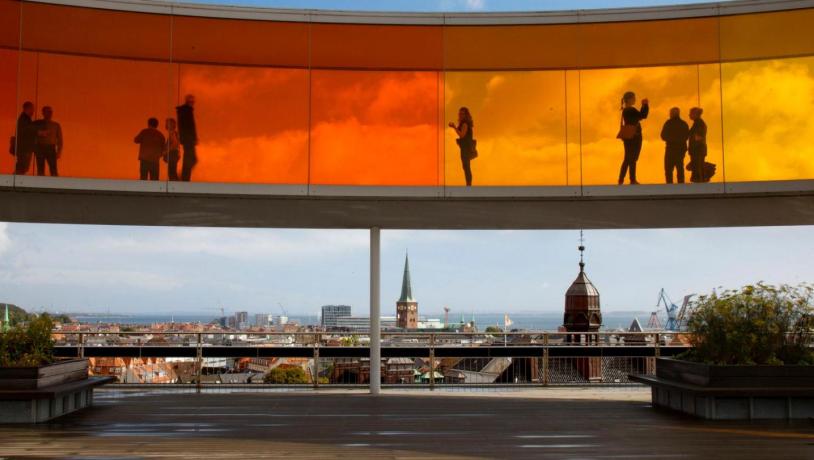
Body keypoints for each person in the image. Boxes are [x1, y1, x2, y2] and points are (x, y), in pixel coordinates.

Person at [617, 91, 649, 185]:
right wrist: (645, 105)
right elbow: (643, 115)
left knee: (627, 158)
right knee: (632, 158)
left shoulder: (626, 110)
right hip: (634, 136)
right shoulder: (630, 109)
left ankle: (621, 179)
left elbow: (639, 117)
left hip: (628, 136)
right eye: (634, 98)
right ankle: (632, 179)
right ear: (630, 99)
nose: (635, 99)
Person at [660, 107, 689, 184]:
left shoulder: (668, 123)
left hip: (670, 148)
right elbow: (686, 136)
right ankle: (681, 184)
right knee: (680, 167)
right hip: (681, 149)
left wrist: (671, 140)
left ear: (672, 114)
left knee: (668, 169)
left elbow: (663, 136)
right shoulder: (684, 124)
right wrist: (679, 140)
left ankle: (669, 185)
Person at [448, 107, 475, 187]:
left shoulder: (465, 124)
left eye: (463, 114)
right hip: (465, 147)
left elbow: (462, 135)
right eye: (460, 114)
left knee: (466, 167)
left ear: (466, 115)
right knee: (466, 166)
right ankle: (468, 185)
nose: (461, 115)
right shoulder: (464, 123)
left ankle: (468, 186)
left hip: (466, 148)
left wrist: (454, 127)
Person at [33, 106, 62, 177]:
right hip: (40, 147)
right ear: (43, 113)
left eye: (50, 112)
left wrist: (59, 151)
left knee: (53, 169)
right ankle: (40, 185)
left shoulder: (56, 125)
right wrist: (34, 147)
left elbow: (60, 140)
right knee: (40, 169)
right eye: (47, 111)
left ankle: (55, 185)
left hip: (50, 147)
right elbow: (31, 134)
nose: (49, 113)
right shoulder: (37, 123)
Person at [176, 94, 197, 182]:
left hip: (188, 139)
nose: (193, 103)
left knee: (190, 158)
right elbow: (188, 126)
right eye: (191, 101)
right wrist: (192, 138)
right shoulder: (186, 111)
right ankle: (184, 177)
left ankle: (184, 177)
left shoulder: (186, 111)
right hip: (188, 139)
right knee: (191, 158)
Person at [13, 101, 37, 175]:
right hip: (25, 147)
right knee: (22, 166)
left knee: (22, 165)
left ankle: (18, 179)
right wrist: (38, 132)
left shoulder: (24, 118)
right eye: (32, 109)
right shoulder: (24, 119)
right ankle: (18, 180)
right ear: (28, 108)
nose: (33, 111)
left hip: (24, 147)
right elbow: (27, 130)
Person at [688, 107, 708, 183]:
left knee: (698, 169)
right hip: (698, 150)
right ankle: (700, 183)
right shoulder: (698, 123)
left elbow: (698, 137)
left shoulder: (699, 123)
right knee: (698, 169)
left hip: (697, 150)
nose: (689, 115)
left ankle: (700, 185)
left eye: (691, 113)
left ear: (695, 114)